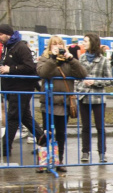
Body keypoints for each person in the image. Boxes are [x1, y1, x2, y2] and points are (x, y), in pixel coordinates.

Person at [0, 24, 47, 157]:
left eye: (0, 34)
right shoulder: (8, 46)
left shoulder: (20, 47)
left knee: (13, 117)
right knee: (25, 117)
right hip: (13, 88)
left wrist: (10, 69)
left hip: (21, 88)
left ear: (7, 34)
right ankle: (45, 141)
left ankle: (5, 148)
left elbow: (29, 67)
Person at [36, 35, 88, 172]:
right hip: (49, 102)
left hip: (64, 103)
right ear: (50, 46)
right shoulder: (45, 58)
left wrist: (71, 59)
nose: (57, 47)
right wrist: (53, 59)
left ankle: (59, 161)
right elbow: (43, 73)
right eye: (54, 44)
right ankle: (44, 161)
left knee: (61, 133)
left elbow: (82, 74)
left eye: (60, 44)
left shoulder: (68, 60)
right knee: (47, 133)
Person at [75, 33, 112, 163]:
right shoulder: (82, 58)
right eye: (83, 41)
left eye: (86, 41)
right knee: (85, 126)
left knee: (100, 127)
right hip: (83, 96)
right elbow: (76, 77)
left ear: (93, 43)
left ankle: (102, 152)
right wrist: (79, 87)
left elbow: (109, 80)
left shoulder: (103, 60)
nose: (83, 43)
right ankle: (85, 152)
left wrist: (95, 81)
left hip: (98, 98)